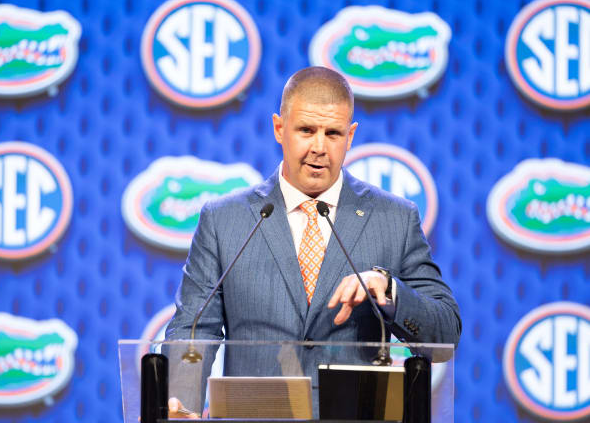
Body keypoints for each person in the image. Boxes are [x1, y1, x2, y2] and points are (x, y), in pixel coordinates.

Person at [164, 66, 461, 417]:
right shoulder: (225, 220)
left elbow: (444, 336)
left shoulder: (393, 219)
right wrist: (177, 406)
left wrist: (389, 289)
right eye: (306, 130)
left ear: (350, 137)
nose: (319, 148)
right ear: (279, 128)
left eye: (333, 133)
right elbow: (193, 330)